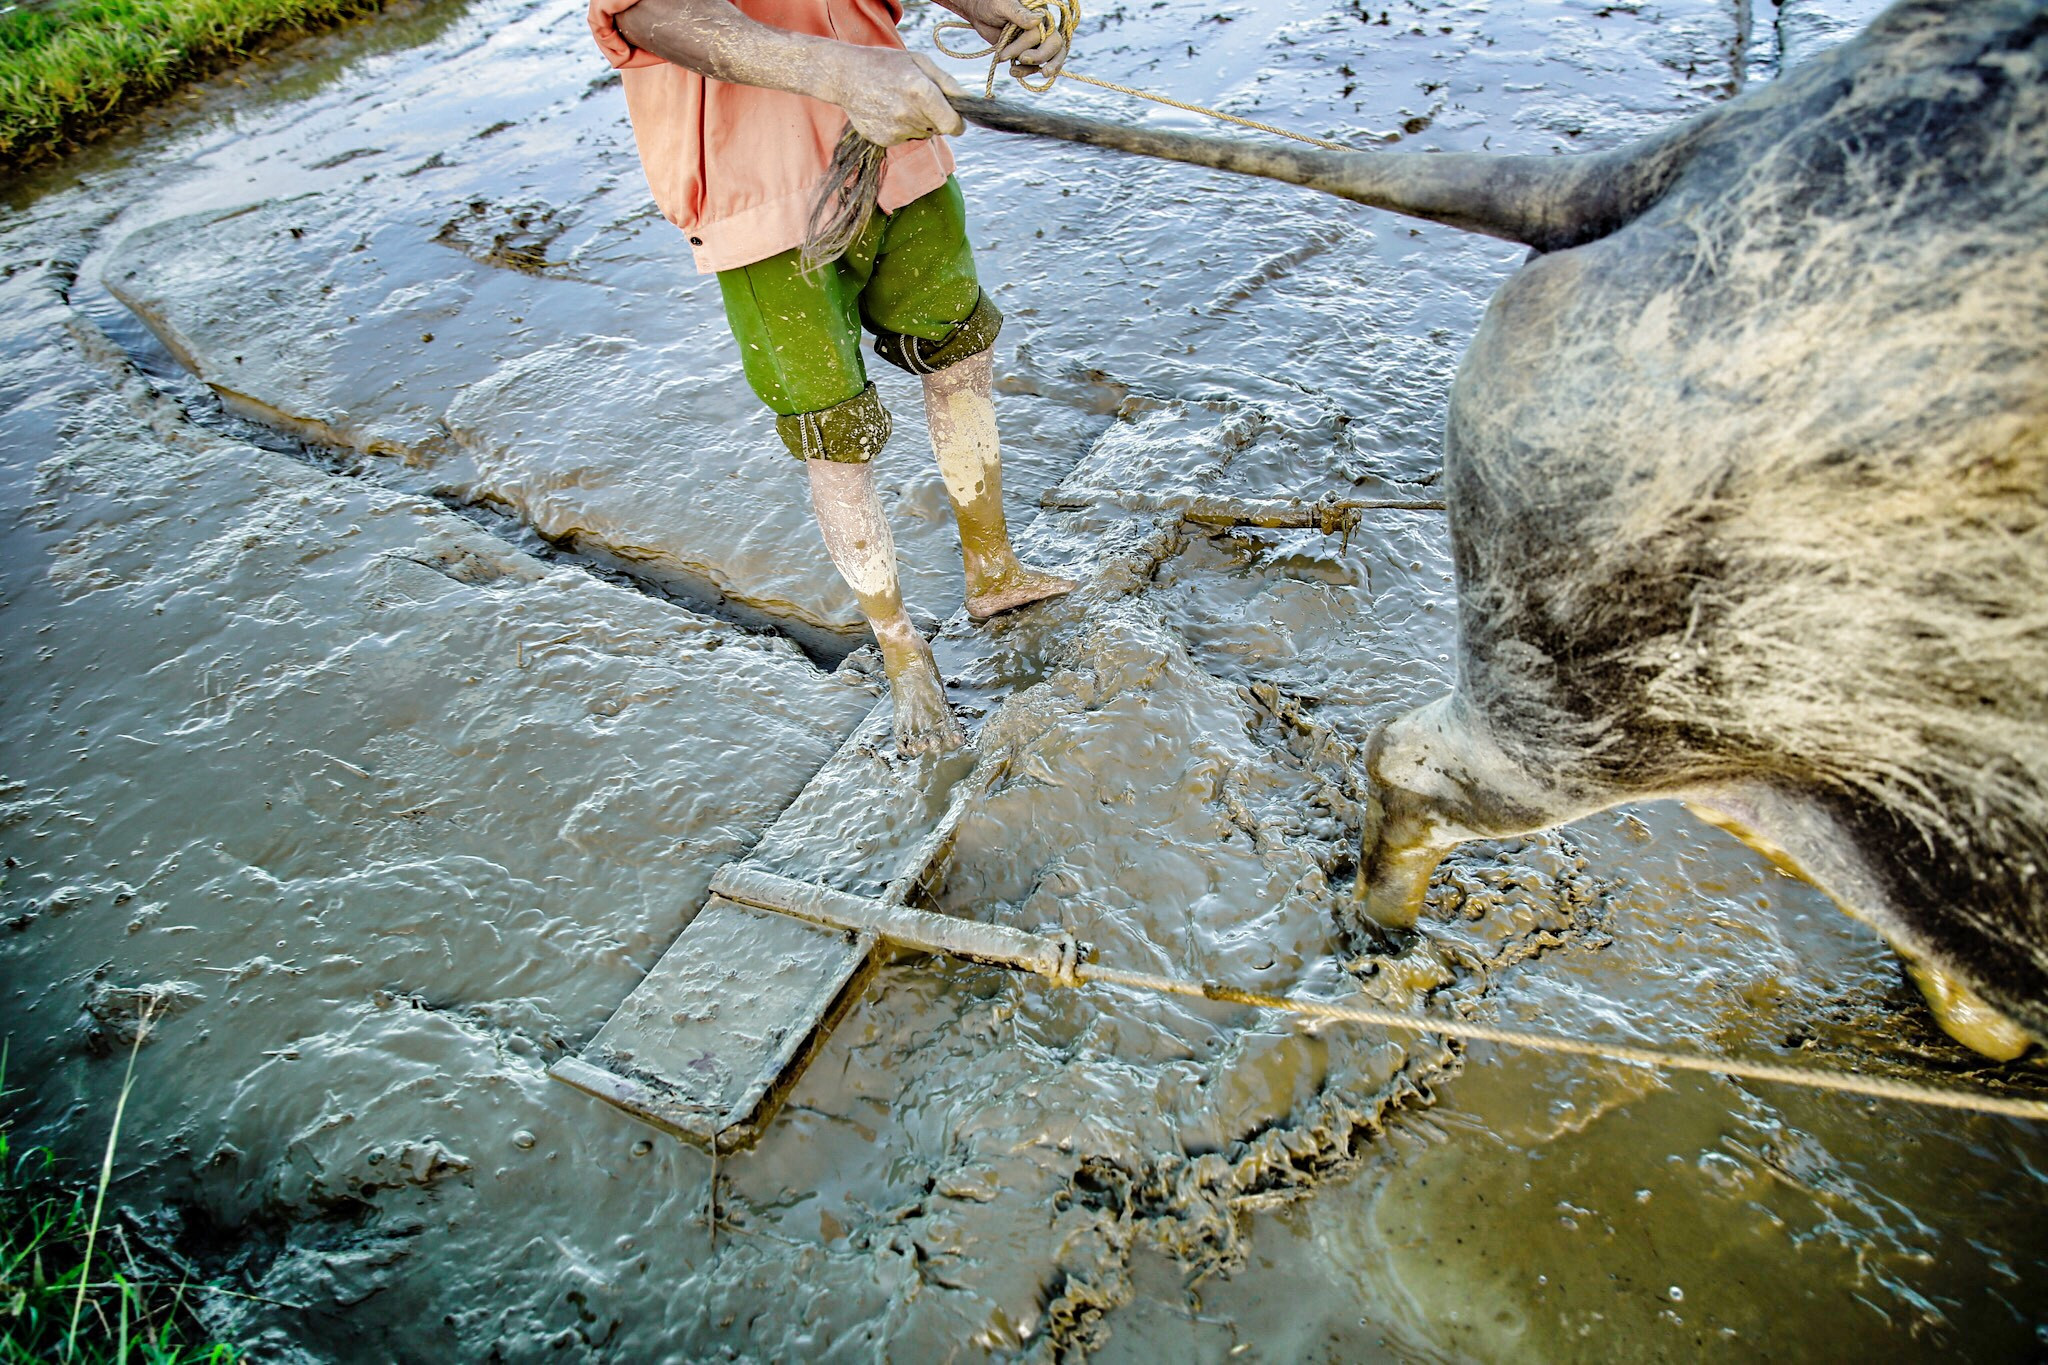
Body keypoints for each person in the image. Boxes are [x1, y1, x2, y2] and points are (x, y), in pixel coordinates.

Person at [586, 0, 1076, 755]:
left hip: (900, 145)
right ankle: (900, 647)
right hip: (765, 194)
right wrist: (839, 71)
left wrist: (982, 6)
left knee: (960, 354)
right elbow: (650, 12)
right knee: (834, 431)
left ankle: (993, 567)